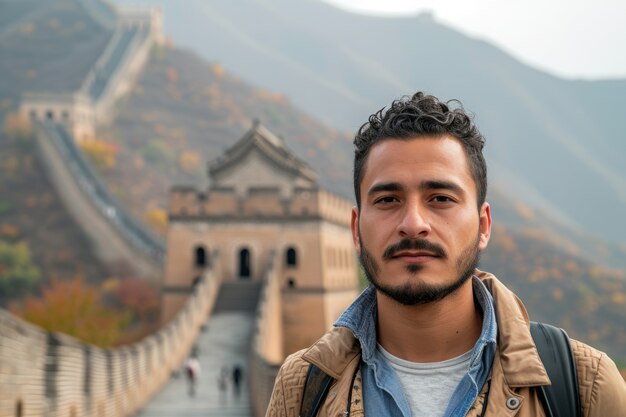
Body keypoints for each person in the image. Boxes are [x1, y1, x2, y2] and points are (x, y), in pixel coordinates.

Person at [265, 92, 626, 416]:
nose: (413, 223)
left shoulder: (583, 385)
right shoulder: (302, 387)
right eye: (388, 200)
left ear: (484, 225)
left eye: (440, 199)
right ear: (356, 229)